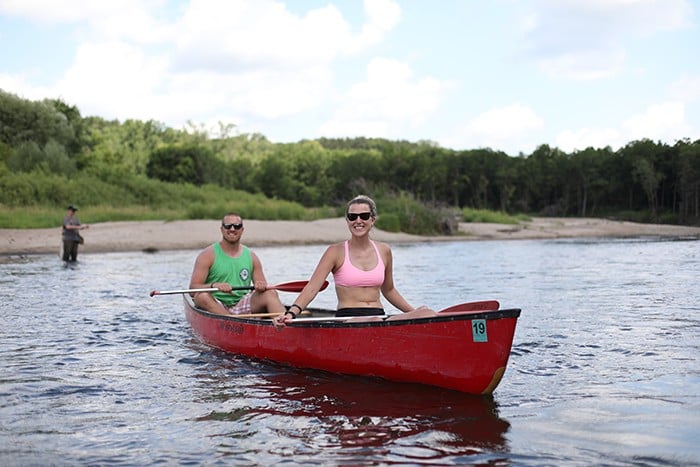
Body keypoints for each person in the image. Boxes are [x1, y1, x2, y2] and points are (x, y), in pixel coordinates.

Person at [275, 195, 435, 326]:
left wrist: (415, 314)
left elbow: (389, 290)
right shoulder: (335, 252)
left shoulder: (384, 250)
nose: (358, 221)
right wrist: (291, 313)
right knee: (373, 321)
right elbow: (312, 288)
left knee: (427, 312)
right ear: (347, 221)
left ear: (372, 220)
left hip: (378, 316)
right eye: (353, 217)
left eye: (364, 216)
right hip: (348, 319)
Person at [189, 212, 287, 316]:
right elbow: (193, 289)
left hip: (241, 304)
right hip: (216, 304)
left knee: (270, 293)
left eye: (237, 226)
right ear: (222, 229)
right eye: (228, 226)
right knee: (201, 297)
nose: (232, 229)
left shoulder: (252, 257)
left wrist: (261, 285)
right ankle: (232, 322)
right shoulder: (207, 255)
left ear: (242, 230)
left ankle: (285, 323)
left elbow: (262, 286)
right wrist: (214, 285)